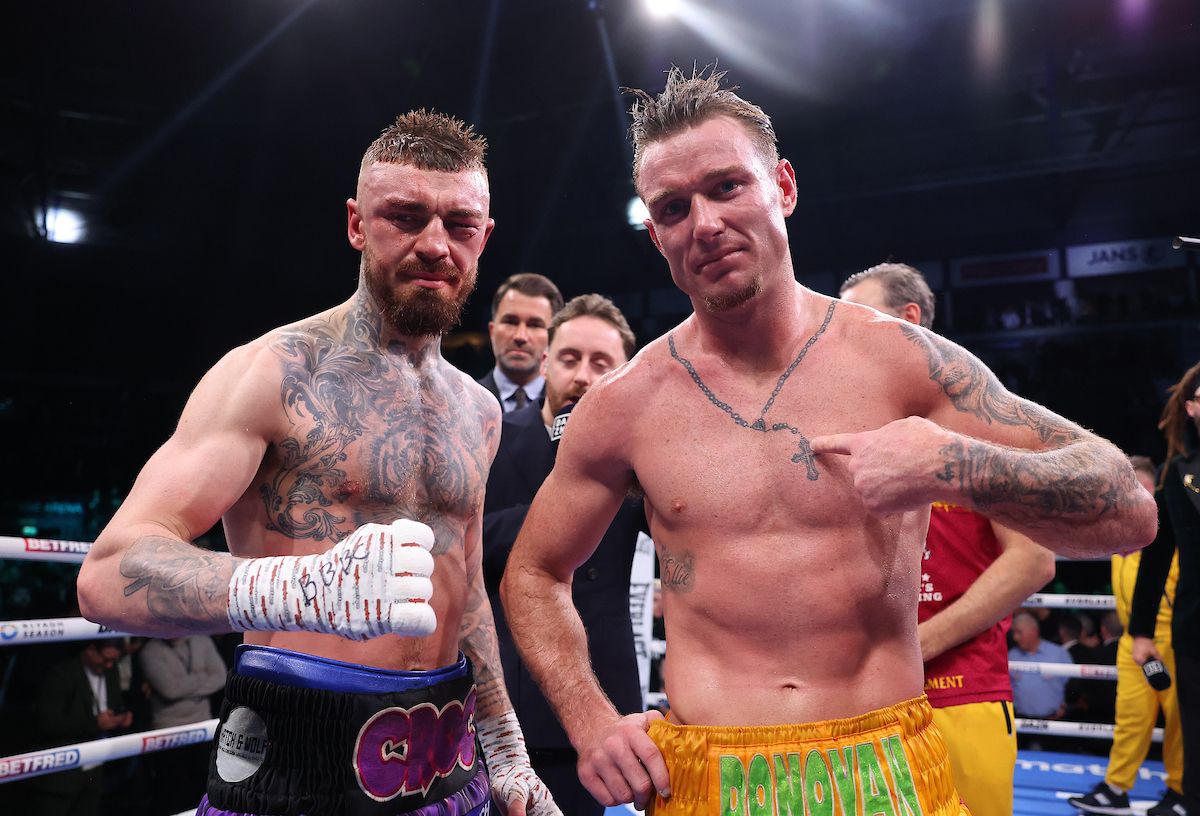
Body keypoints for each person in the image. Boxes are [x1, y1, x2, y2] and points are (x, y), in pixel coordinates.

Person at [498, 67, 1156, 814]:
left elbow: (1128, 505)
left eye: (726, 187)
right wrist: (589, 720)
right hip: (707, 776)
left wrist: (957, 465)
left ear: (783, 186)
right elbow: (533, 573)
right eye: (674, 208)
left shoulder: (900, 359)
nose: (704, 223)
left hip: (887, 763)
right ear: (655, 235)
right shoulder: (626, 406)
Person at [76, 110, 559, 816]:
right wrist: (298, 587)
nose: (434, 244)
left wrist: (508, 749)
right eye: (405, 216)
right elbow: (106, 576)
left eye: (458, 224)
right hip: (297, 759)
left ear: (484, 238)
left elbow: (467, 589)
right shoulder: (272, 374)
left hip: (447, 762)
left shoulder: (476, 410)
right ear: (357, 224)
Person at [840, 262, 1057, 816]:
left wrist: (920, 644)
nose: (843, 333)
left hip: (960, 693)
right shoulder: (846, 432)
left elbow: (1033, 561)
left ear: (910, 319)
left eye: (860, 316)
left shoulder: (982, 420)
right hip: (856, 699)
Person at [483, 294, 643, 815]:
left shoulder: (638, 458)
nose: (582, 376)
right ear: (547, 362)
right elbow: (456, 544)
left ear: (625, 374)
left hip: (608, 711)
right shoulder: (493, 440)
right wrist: (558, 511)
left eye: (602, 364)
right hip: (508, 711)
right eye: (571, 359)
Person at [1070, 455, 1183, 816]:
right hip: (1133, 642)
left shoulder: (1177, 534)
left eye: (1142, 488)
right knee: (1130, 718)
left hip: (1174, 639)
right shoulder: (1121, 531)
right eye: (1127, 488)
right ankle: (1116, 789)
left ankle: (1181, 793)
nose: (1135, 497)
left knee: (1180, 721)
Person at [1130, 363, 1200, 816]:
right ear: (1192, 408)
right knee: (1196, 734)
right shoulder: (1178, 473)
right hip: (1196, 628)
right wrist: (1140, 632)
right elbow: (1155, 560)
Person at [29, 640, 131, 816]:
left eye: (114, 661)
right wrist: (95, 724)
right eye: (106, 659)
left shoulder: (110, 670)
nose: (109, 665)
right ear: (91, 650)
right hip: (62, 774)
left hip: (96, 767)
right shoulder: (61, 674)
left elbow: (115, 704)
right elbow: (48, 722)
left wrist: (122, 717)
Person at [138, 636, 227, 813]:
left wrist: (186, 686)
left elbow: (220, 676)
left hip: (203, 727)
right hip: (169, 730)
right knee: (173, 792)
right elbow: (170, 690)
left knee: (204, 790)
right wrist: (202, 677)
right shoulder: (150, 651)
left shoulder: (202, 641)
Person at [478, 273, 564, 412]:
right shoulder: (461, 404)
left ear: (554, 336)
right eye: (510, 322)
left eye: (535, 325)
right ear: (492, 331)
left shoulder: (570, 411)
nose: (520, 336)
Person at [1008, 612, 1072, 720]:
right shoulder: (1011, 656)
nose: (1015, 637)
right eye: (1014, 633)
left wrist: (1067, 707)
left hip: (1054, 720)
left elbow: (1072, 685)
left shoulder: (1058, 653)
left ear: (1034, 631)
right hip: (1020, 721)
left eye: (1019, 632)